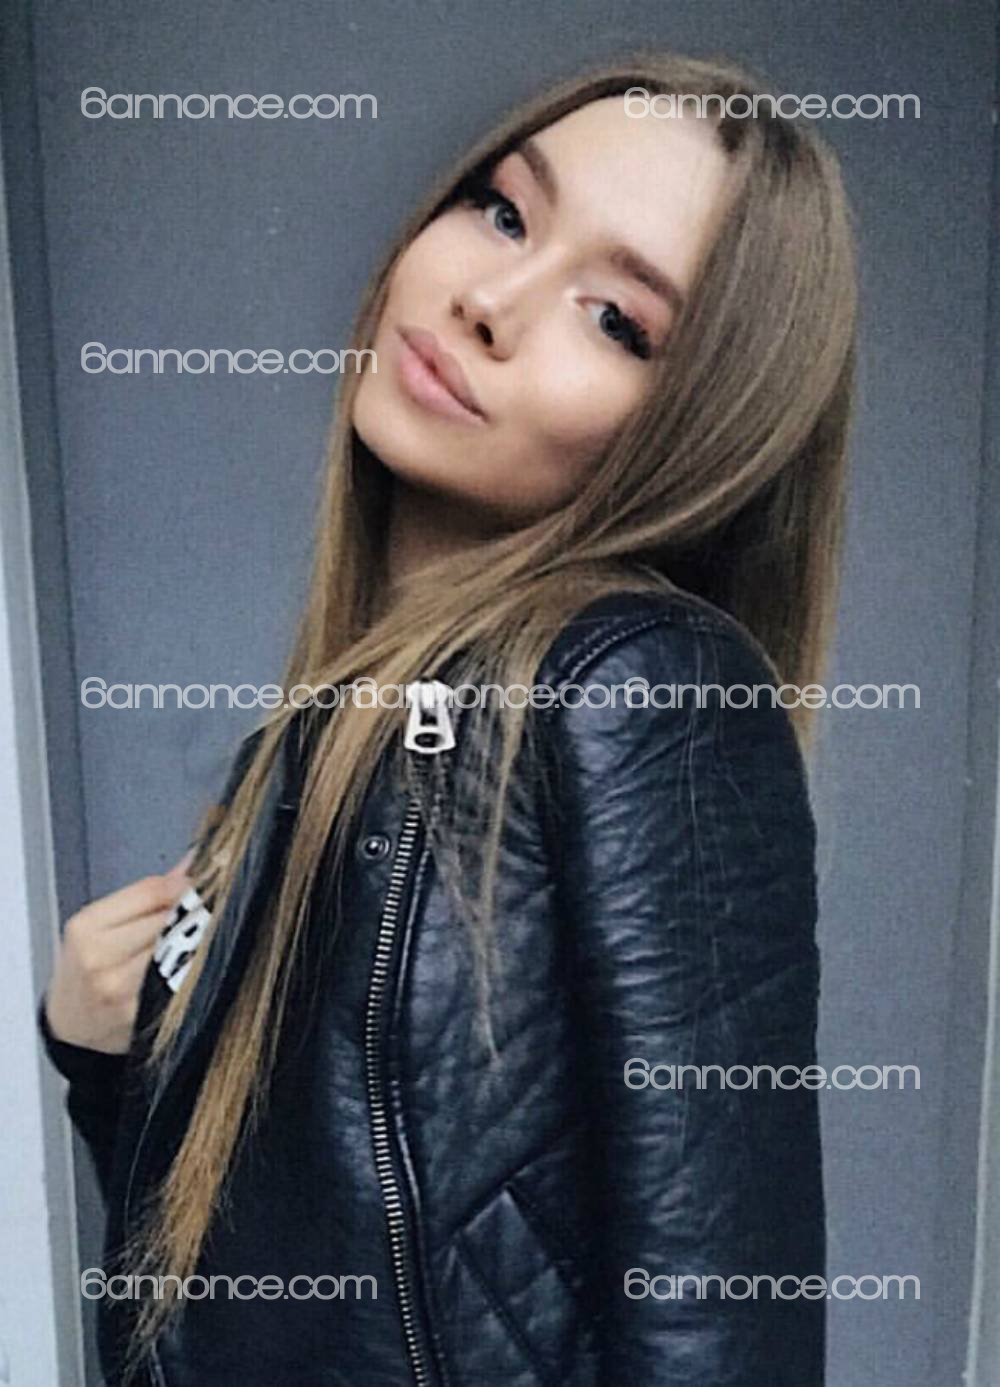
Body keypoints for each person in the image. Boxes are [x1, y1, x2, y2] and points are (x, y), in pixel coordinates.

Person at [38, 49, 857, 1387]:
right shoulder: (327, 741)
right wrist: (104, 1058)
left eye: (618, 319)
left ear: (701, 431)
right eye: (504, 210)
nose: (491, 301)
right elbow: (218, 1299)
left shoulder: (639, 685)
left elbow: (728, 1331)